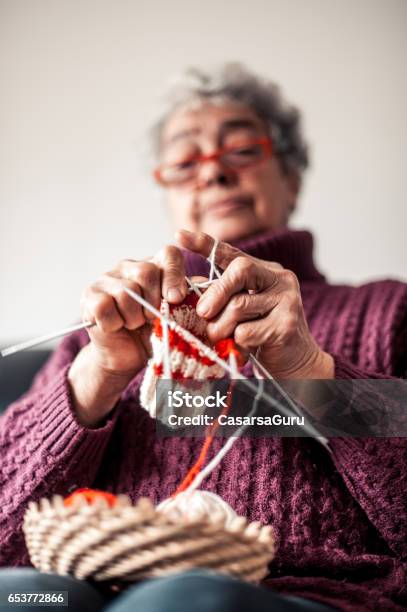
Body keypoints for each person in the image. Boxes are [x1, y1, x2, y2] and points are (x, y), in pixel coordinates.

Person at [0, 64, 406, 612]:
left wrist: (310, 371)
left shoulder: (387, 309)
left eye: (241, 150)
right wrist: (97, 376)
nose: (212, 174)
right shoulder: (96, 335)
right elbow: (7, 537)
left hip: (312, 593)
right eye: (185, 161)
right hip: (86, 589)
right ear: (166, 191)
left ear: (292, 176)